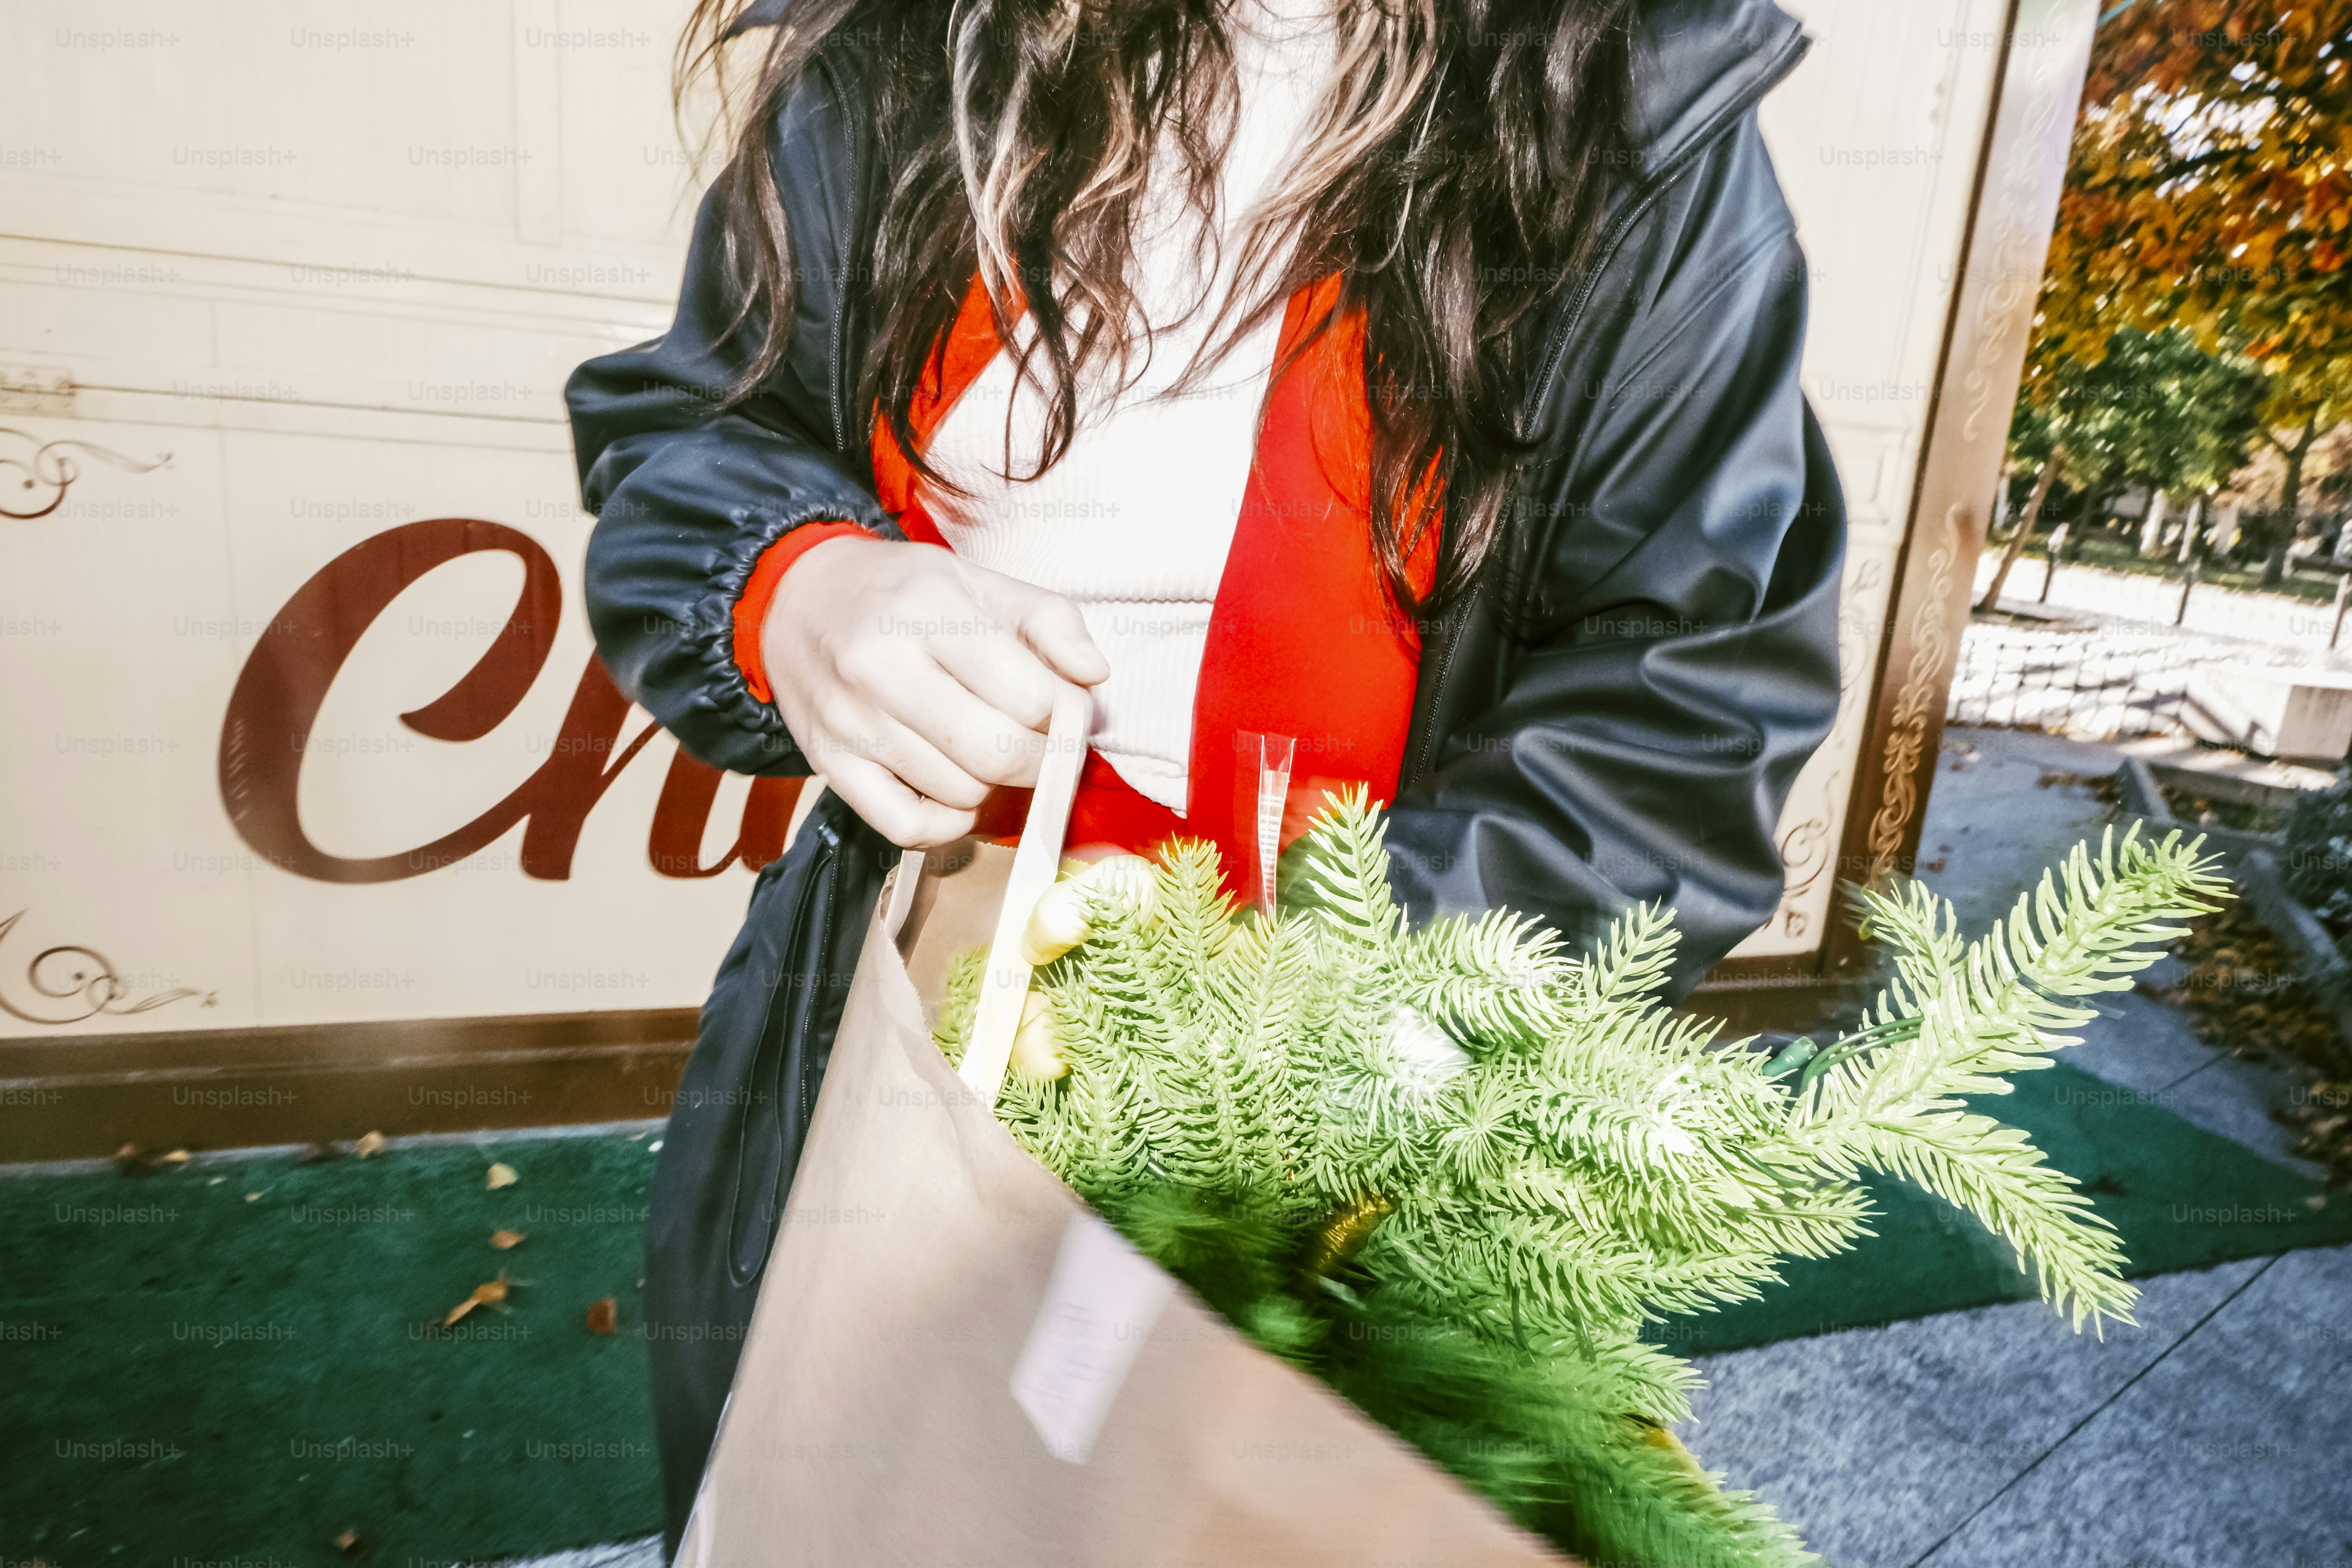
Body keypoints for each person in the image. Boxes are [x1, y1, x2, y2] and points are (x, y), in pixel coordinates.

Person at [566, 0, 1845, 1552]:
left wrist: (1278, 1036)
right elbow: (692, 426)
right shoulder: (908, 53)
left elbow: (1676, 722)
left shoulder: (1638, 118)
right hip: (896, 1011)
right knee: (839, 1496)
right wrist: (792, 586)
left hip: (1351, 1103)